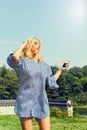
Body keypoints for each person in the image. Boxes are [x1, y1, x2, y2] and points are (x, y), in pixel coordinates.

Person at [7, 37, 70, 130]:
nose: (39, 45)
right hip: (25, 101)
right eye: (35, 43)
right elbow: (14, 57)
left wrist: (60, 70)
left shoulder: (44, 65)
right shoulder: (22, 61)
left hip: (41, 101)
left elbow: (50, 82)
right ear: (29, 44)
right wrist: (24, 44)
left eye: (39, 44)